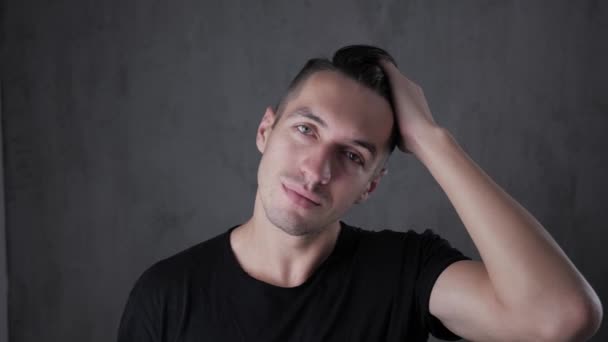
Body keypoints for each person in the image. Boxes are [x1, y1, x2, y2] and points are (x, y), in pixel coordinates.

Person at [117, 45, 602, 341]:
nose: (316, 169)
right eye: (306, 129)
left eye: (352, 155)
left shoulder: (406, 273)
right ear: (266, 129)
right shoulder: (166, 295)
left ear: (371, 185)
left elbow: (562, 317)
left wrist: (434, 141)